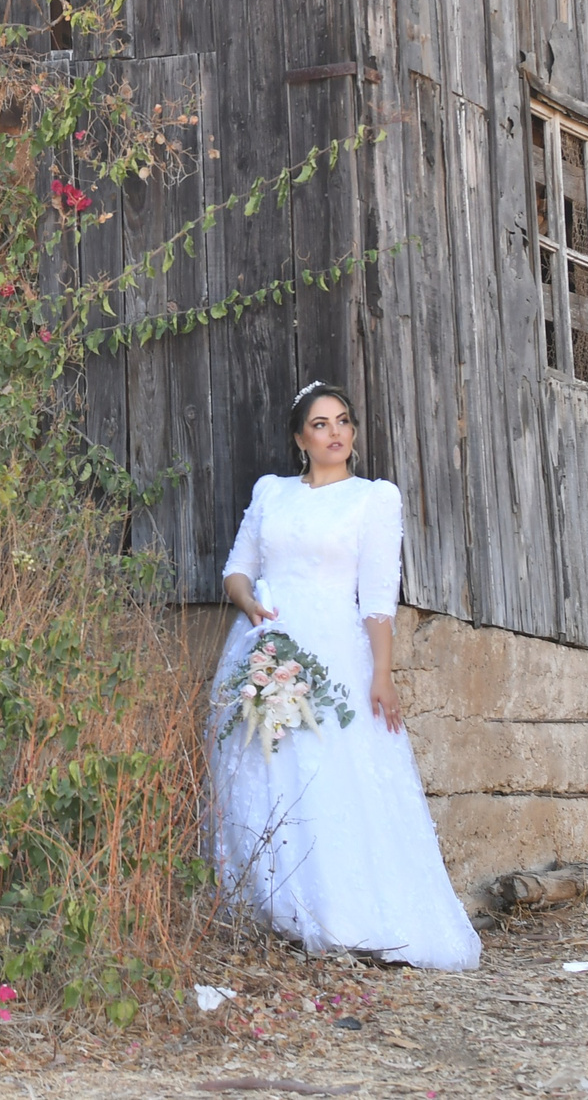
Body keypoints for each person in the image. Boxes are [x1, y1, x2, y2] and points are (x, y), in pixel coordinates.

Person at [206, 381, 482, 970]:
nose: (336, 433)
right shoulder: (271, 493)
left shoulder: (373, 499)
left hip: (335, 646)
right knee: (263, 765)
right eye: (321, 424)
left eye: (344, 422)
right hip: (267, 642)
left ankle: (343, 912)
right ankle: (268, 907)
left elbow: (378, 598)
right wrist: (249, 605)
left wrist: (382, 672)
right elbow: (237, 569)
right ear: (299, 439)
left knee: (334, 768)